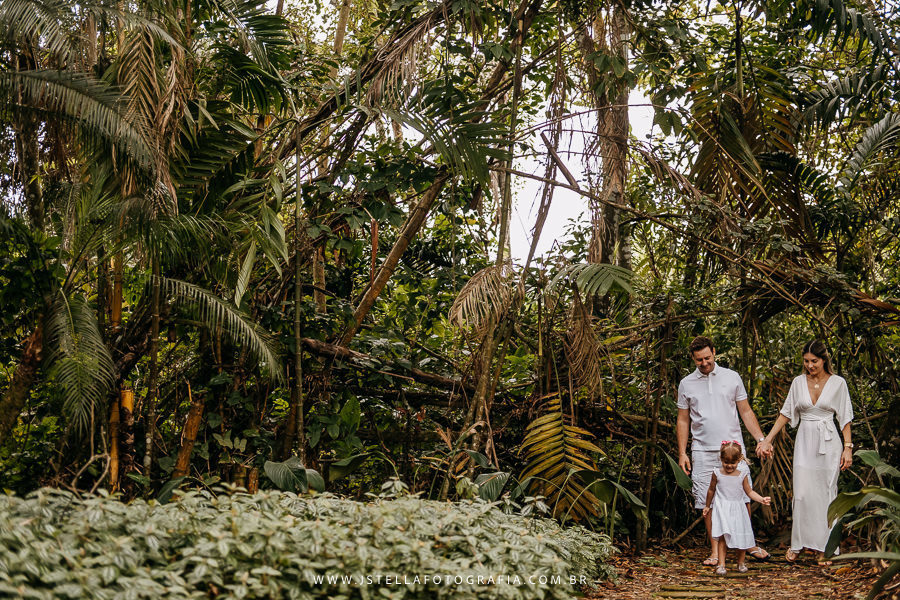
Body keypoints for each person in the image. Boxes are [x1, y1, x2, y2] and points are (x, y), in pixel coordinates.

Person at [756, 339, 853, 565]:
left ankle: (825, 549)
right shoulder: (798, 382)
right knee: (801, 494)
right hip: (805, 441)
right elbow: (786, 413)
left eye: (814, 361)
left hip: (829, 442)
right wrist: (768, 439)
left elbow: (845, 418)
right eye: (807, 361)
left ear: (824, 359)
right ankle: (798, 544)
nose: (810, 366)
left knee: (827, 494)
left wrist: (847, 448)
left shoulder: (838, 383)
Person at [677, 336, 771, 566]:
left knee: (742, 499)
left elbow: (746, 412)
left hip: (733, 449)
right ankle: (714, 552)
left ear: (714, 352)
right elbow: (682, 420)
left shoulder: (732, 377)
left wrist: (761, 438)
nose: (704, 363)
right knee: (706, 503)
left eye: (708, 357)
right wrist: (682, 452)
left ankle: (747, 544)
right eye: (699, 360)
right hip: (702, 451)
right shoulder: (686, 383)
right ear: (693, 358)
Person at [703, 441, 772, 575]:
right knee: (723, 537)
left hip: (738, 508)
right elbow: (711, 490)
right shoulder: (717, 473)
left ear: (739, 460)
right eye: (726, 462)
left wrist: (761, 499)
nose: (729, 466)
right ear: (721, 459)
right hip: (722, 507)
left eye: (732, 463)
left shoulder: (742, 473)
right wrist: (707, 506)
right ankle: (721, 564)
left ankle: (741, 563)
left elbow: (749, 492)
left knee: (741, 535)